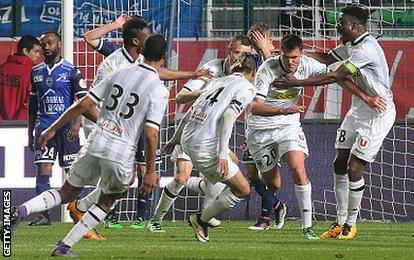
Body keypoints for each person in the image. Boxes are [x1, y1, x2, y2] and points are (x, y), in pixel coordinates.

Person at [10, 34, 168, 256]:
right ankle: (64, 246)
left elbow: (83, 104)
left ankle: (22, 210)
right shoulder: (159, 89)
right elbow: (151, 133)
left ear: (142, 51)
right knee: (109, 198)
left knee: (65, 192)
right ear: (164, 55)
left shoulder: (120, 72)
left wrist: (52, 128)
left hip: (96, 141)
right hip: (121, 150)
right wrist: (151, 171)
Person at [68, 15, 211, 232]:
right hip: (109, 123)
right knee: (116, 176)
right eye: (147, 35)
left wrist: (192, 73)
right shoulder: (114, 61)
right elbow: (88, 101)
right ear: (136, 41)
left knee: (129, 175)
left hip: (128, 123)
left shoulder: (140, 62)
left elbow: (158, 72)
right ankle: (85, 212)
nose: (150, 38)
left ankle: (87, 210)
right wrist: (116, 25)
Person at [272, 5, 391, 240]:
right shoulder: (351, 44)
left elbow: (336, 75)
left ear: (354, 26)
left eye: (341, 22)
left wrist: (296, 82)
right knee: (339, 164)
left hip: (379, 111)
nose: (337, 25)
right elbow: (327, 58)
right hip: (359, 108)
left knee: (354, 168)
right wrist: (299, 54)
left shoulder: (367, 49)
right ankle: (339, 222)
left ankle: (351, 225)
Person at [146, 35, 253, 233]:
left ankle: (207, 210)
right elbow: (180, 98)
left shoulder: (241, 79)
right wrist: (208, 92)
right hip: (194, 127)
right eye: (237, 52)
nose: (239, 57)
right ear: (229, 50)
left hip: (212, 134)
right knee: (181, 178)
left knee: (232, 163)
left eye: (245, 54)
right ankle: (156, 219)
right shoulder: (212, 70)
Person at [245, 34, 328, 238]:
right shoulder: (267, 70)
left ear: (300, 54)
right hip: (262, 128)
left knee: (298, 168)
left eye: (295, 57)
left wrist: (300, 81)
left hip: (289, 126)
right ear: (280, 53)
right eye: (287, 57)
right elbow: (255, 107)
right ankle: (278, 207)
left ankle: (307, 227)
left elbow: (330, 74)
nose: (291, 62)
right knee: (274, 184)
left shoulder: (307, 64)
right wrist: (285, 109)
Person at [26, 31, 88, 226]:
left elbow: (84, 101)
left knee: (73, 173)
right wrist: (30, 133)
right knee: (43, 168)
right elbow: (33, 106)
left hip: (67, 128)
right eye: (43, 44)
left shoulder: (71, 70)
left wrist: (78, 123)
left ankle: (76, 212)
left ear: (59, 45)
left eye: (50, 43)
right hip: (44, 128)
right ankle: (44, 215)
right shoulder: (35, 72)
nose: (46, 47)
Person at [244, 22, 290, 231]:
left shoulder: (280, 57)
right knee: (253, 175)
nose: (252, 44)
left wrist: (267, 50)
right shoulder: (250, 61)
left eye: (255, 39)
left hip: (276, 125)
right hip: (253, 124)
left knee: (274, 181)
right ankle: (278, 206)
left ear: (267, 39)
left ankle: (265, 218)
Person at [0, 35, 41, 121]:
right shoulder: (33, 72)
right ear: (25, 51)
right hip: (22, 124)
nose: (39, 55)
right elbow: (31, 101)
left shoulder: (2, 69)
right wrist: (19, 121)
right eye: (36, 51)